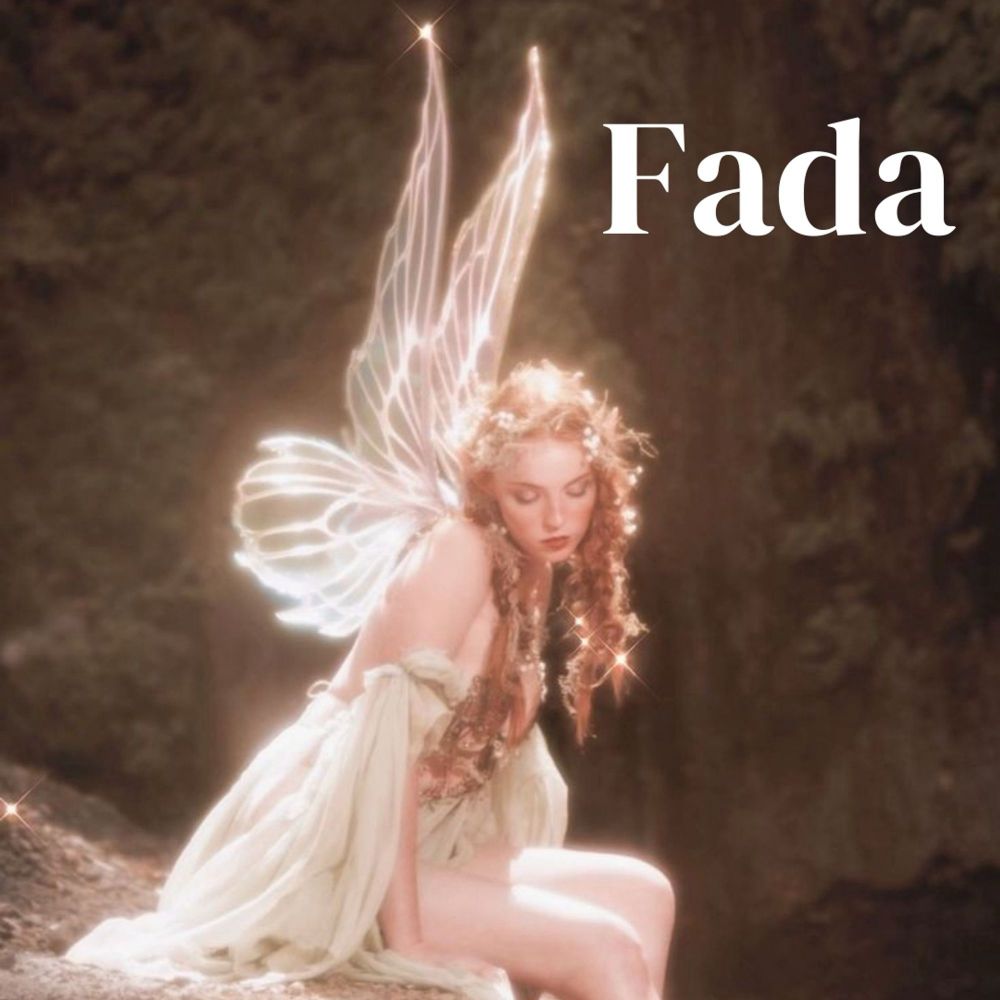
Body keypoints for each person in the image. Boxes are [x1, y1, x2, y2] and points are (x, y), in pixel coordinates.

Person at [64, 29, 675, 1000]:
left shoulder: (533, 565)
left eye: (576, 490)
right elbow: (379, 753)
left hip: (433, 838)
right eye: (528, 493)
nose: (555, 514)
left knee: (643, 895)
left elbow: (483, 772)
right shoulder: (457, 550)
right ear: (491, 490)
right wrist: (413, 936)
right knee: (606, 950)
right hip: (331, 844)